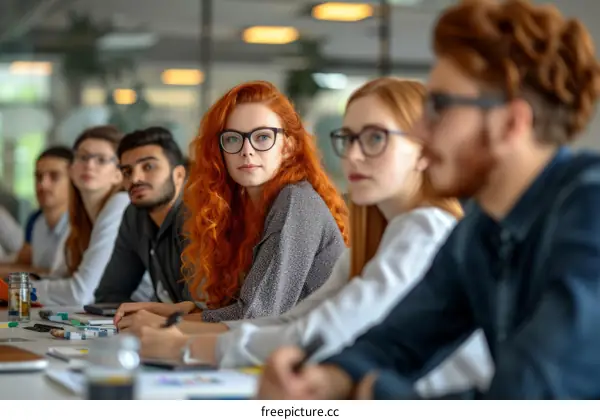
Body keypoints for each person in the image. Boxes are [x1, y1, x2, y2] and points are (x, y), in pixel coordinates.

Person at [257, 0, 600, 400]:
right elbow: (399, 340)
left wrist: (377, 393)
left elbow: (529, 396)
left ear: (511, 124)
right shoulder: (481, 228)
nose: (419, 131)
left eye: (439, 106)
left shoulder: (589, 212)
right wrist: (328, 380)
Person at [136, 78, 494, 396]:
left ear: (424, 151)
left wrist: (181, 343)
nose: (353, 155)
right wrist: (179, 336)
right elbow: (295, 321)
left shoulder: (425, 229)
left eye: (374, 138)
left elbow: (318, 333)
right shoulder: (383, 235)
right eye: (348, 138)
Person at [115, 80, 350, 332]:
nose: (246, 150)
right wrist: (184, 310)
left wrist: (168, 324)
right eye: (232, 139)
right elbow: (243, 311)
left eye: (262, 137)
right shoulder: (240, 208)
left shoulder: (296, 201)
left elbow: (256, 316)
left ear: (288, 147)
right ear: (220, 150)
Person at [21, 126, 130, 306]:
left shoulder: (121, 204)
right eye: (83, 157)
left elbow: (80, 293)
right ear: (71, 169)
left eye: (101, 160)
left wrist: (18, 289)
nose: (89, 165)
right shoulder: (80, 217)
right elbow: (59, 277)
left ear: (119, 174)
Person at [94, 127, 187, 304]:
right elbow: (109, 295)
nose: (135, 179)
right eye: (127, 171)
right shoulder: (134, 215)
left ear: (178, 175)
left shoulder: (201, 216)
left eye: (148, 166)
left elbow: (199, 309)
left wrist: (145, 314)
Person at [0, 147, 72, 276]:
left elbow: (61, 277)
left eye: (54, 176)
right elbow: (23, 263)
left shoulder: (82, 224)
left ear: (74, 182)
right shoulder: (36, 220)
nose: (42, 184)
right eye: (38, 177)